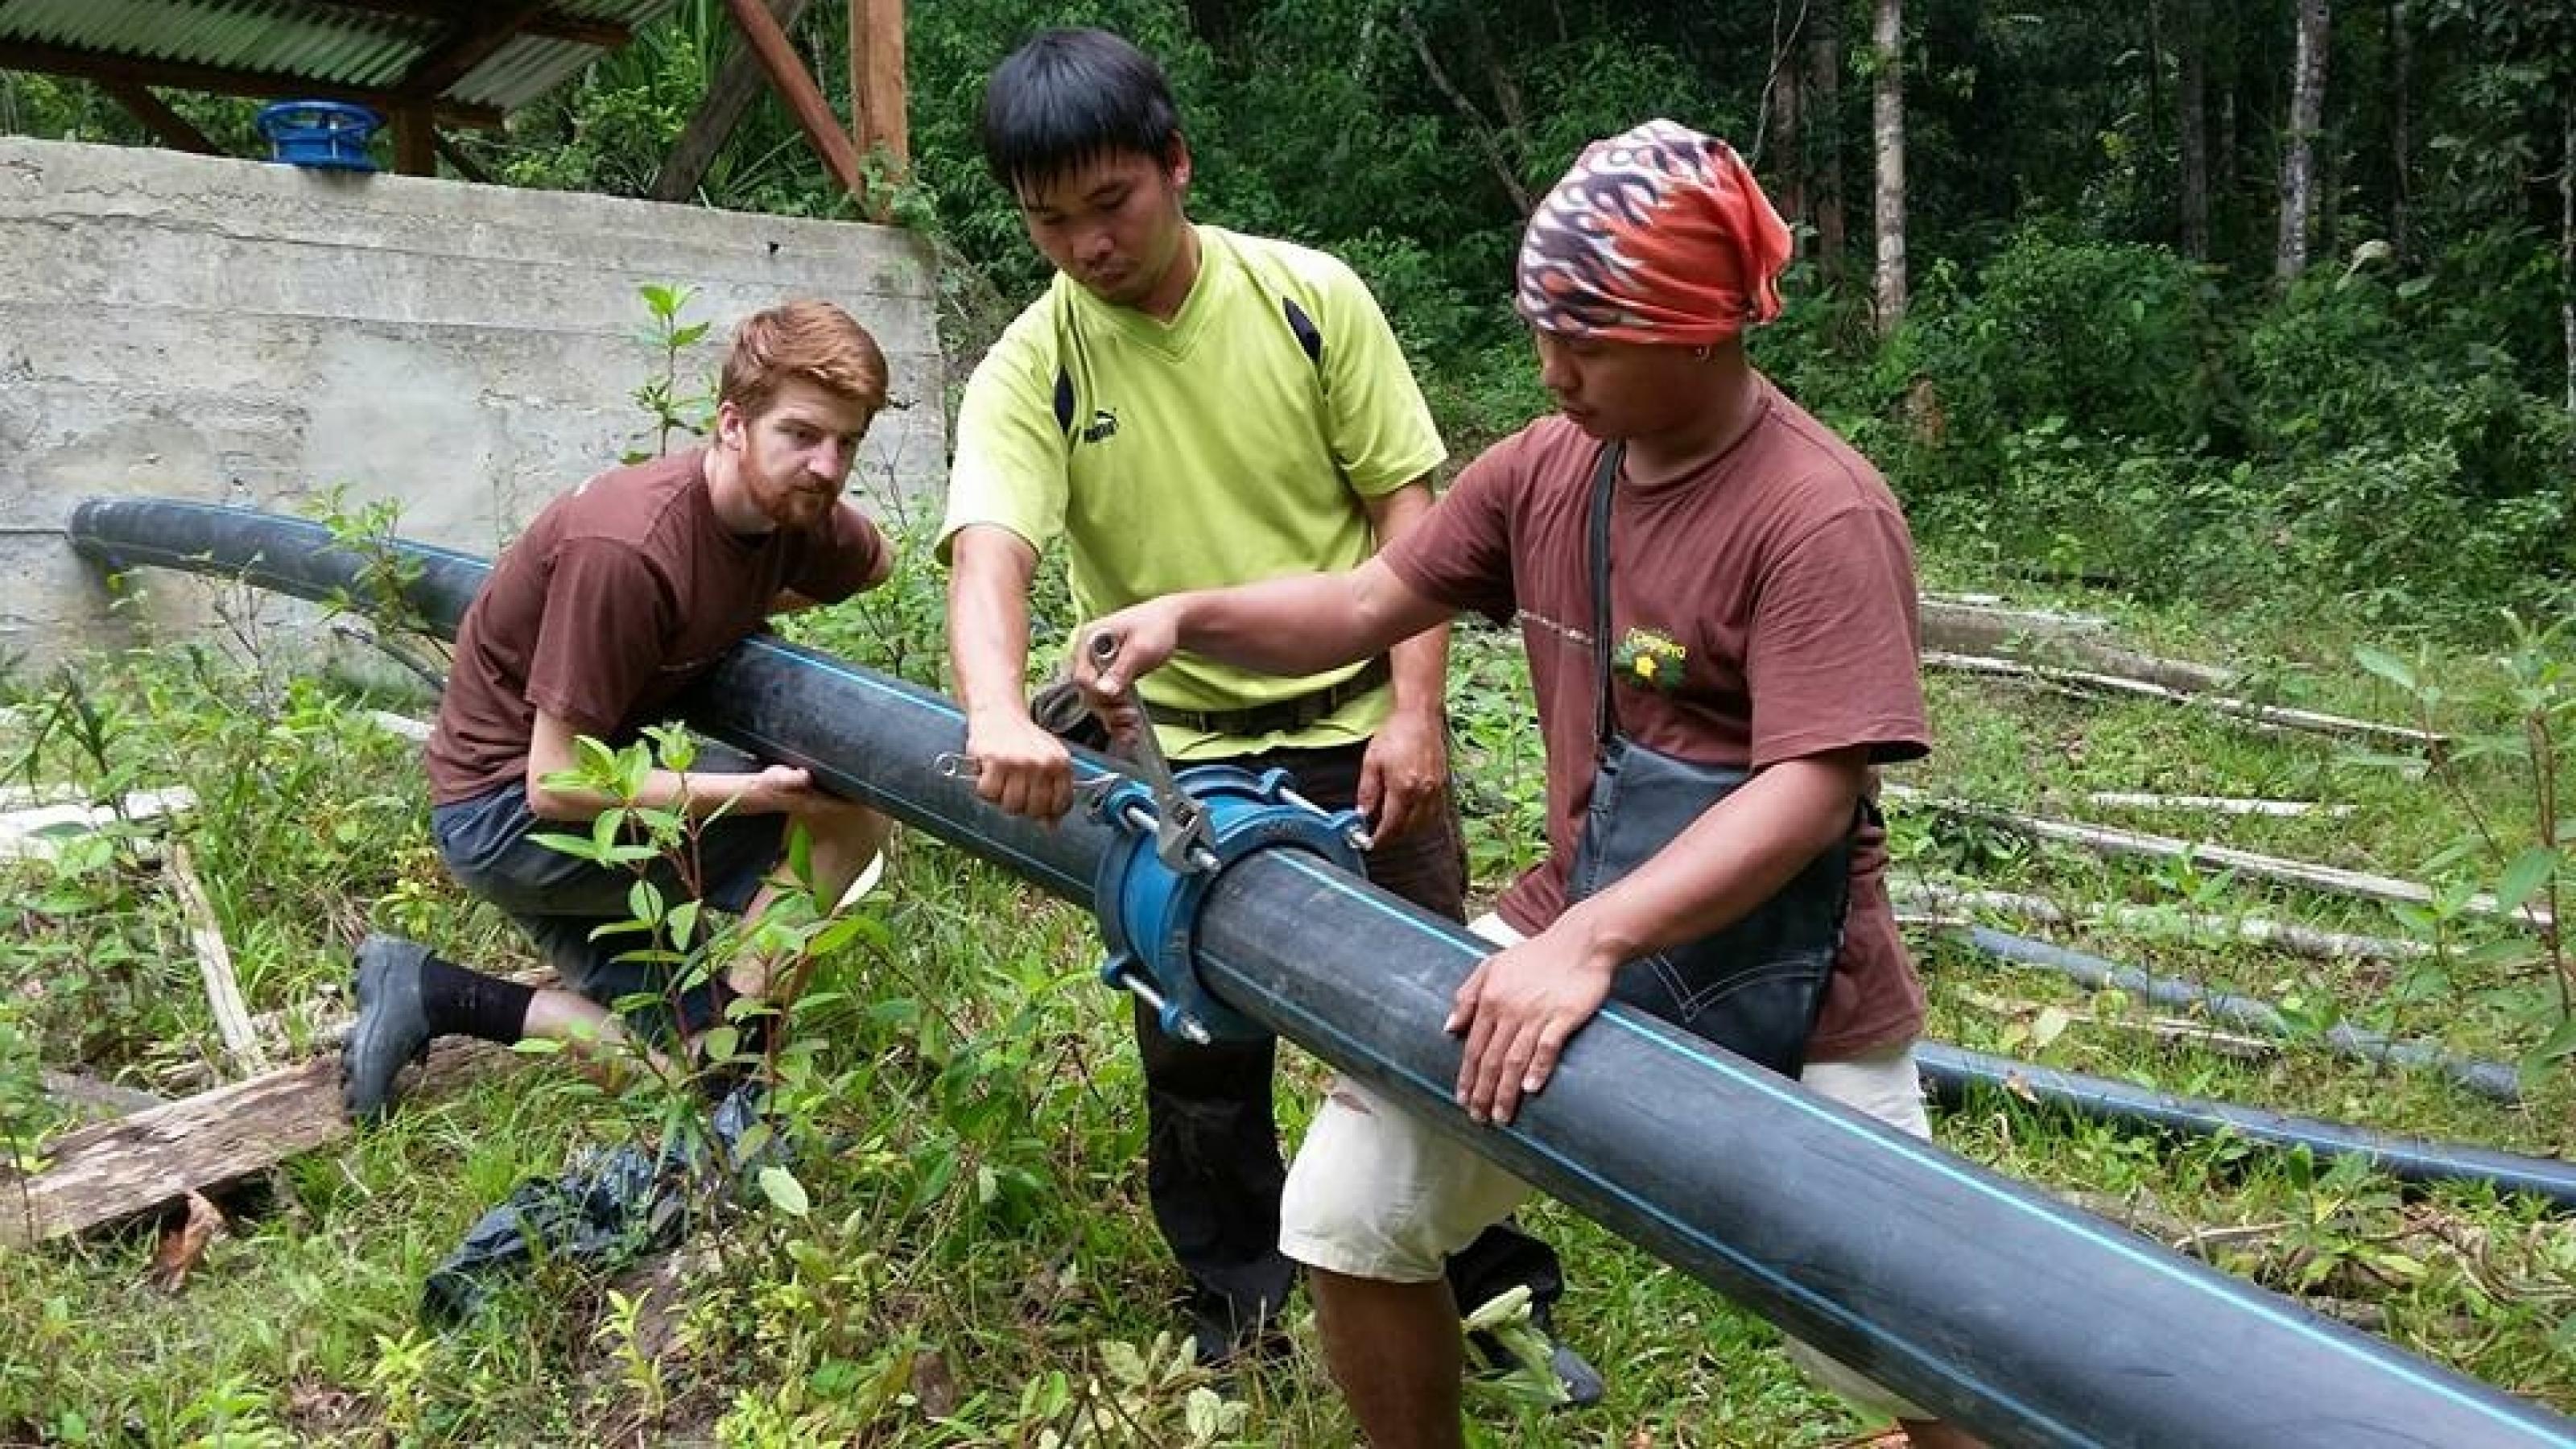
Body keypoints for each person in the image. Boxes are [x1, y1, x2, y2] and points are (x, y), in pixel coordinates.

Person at [1075, 122, 1982, 1448]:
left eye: (1588, 339)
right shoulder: (1549, 469)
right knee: (1351, 1208)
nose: (1551, 369)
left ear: (1701, 329)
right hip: (1578, 909)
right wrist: (1183, 618)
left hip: (1794, 979)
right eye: (1540, 329)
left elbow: (1812, 792)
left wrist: (1593, 943)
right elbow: (1367, 599)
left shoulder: (1818, 514)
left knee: (1923, 1340)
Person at [938, 27, 1590, 1391]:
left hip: (1360, 715)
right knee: (1195, 1041)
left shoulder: (1308, 298)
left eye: (1109, 205)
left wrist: (1420, 717)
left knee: (1435, 1014)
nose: (1085, 247)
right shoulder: (1032, 364)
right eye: (1048, 221)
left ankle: (1486, 1283)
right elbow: (990, 543)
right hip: (1177, 758)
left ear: (1177, 165)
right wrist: (999, 709)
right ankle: (1238, 1306)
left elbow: (1402, 509)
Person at [341, 299, 897, 1122]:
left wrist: (739, 606)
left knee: (675, 1073)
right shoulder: (630, 549)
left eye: (846, 442)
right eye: (801, 434)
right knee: (847, 821)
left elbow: (877, 562)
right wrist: (759, 794)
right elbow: (555, 785)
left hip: (568, 811)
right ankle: (742, 1046)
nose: (826, 466)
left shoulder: (791, 511)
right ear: (732, 424)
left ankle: (434, 991)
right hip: (505, 818)